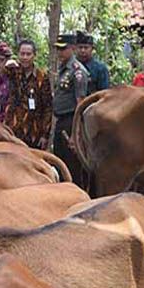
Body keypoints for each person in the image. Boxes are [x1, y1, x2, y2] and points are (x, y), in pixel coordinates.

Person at [52, 34, 89, 188]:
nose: (60, 52)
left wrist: (76, 133)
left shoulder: (78, 72)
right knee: (60, 161)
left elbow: (81, 104)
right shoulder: (62, 69)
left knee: (72, 165)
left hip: (71, 121)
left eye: (63, 49)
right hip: (61, 121)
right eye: (58, 49)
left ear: (72, 49)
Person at [3, 39, 53, 149]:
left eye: (28, 54)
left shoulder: (41, 77)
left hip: (34, 132)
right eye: (22, 54)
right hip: (13, 131)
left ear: (34, 55)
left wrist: (45, 135)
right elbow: (2, 72)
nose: (25, 57)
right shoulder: (13, 72)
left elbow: (48, 107)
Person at [76, 31, 109, 95]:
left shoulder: (100, 69)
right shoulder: (71, 66)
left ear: (92, 49)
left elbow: (104, 93)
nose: (83, 50)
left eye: (86, 48)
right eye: (80, 47)